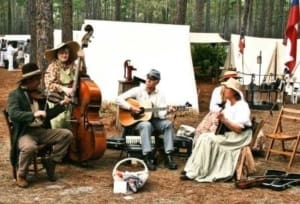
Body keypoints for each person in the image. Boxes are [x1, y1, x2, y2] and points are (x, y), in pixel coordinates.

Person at [7, 63, 74, 188]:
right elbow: (14, 113)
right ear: (29, 80)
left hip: (41, 131)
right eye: (38, 79)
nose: (39, 82)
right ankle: (21, 175)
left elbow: (47, 115)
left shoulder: (39, 96)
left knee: (67, 135)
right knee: (29, 147)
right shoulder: (15, 95)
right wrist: (33, 114)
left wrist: (62, 104)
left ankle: (52, 162)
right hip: (25, 132)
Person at [181, 78, 252, 182]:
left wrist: (224, 120)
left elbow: (238, 129)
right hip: (230, 133)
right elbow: (226, 121)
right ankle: (193, 169)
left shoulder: (242, 106)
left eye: (226, 88)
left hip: (239, 137)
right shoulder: (228, 104)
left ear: (233, 92)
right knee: (203, 136)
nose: (224, 90)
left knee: (207, 140)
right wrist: (220, 120)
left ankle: (200, 171)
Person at [115, 69, 177, 171]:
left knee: (168, 124)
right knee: (146, 125)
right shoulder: (138, 90)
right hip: (138, 121)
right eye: (147, 78)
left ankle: (168, 156)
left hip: (155, 120)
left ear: (157, 82)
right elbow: (118, 99)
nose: (148, 80)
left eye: (152, 79)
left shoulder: (160, 94)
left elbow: (161, 115)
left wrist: (168, 111)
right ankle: (147, 156)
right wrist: (131, 108)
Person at [44, 41, 86, 129]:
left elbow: (83, 74)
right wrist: (64, 89)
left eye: (66, 53)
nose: (64, 55)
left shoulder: (72, 65)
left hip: (72, 102)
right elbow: (49, 85)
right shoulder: (53, 66)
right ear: (57, 55)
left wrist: (82, 59)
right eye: (62, 53)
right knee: (58, 125)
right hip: (57, 101)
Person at [194, 70, 241, 139]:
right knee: (205, 131)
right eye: (232, 79)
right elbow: (212, 107)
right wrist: (222, 111)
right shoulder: (218, 90)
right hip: (217, 114)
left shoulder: (238, 93)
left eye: (235, 79)